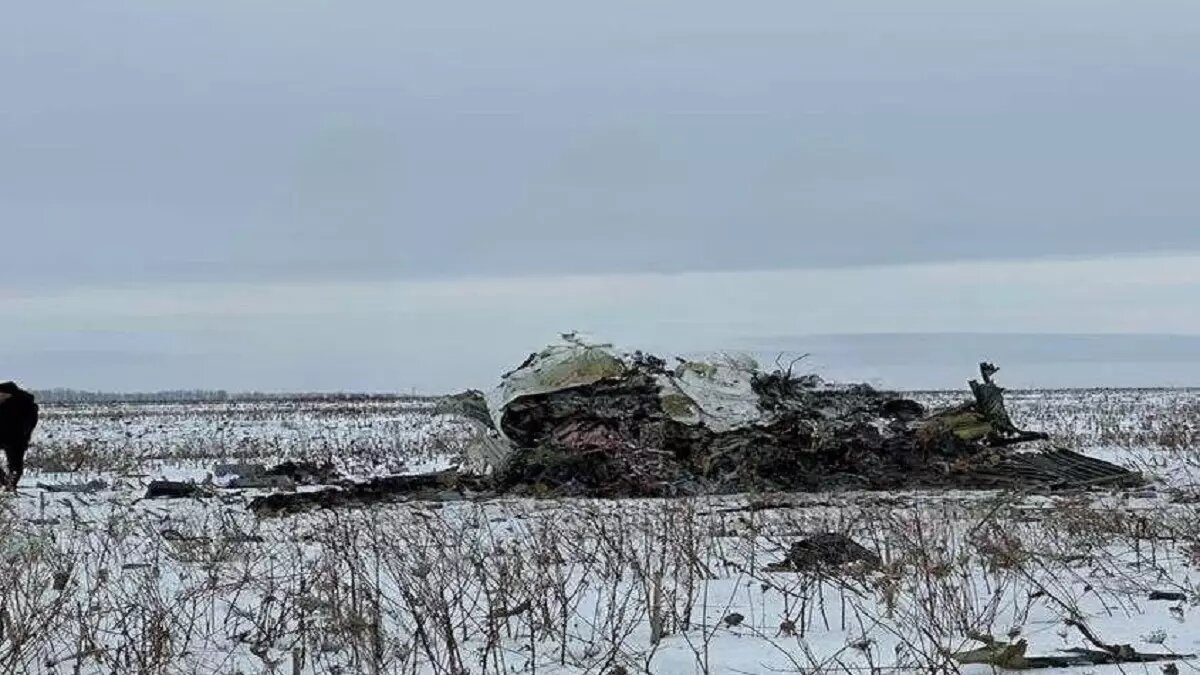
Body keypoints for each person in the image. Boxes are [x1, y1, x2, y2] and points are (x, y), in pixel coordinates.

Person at [0, 382, 38, 491]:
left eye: (1, 394)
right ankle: (3, 480)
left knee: (15, 462)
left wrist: (24, 433)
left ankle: (12, 482)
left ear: (9, 394)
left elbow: (31, 421)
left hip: (17, 437)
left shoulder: (24, 403)